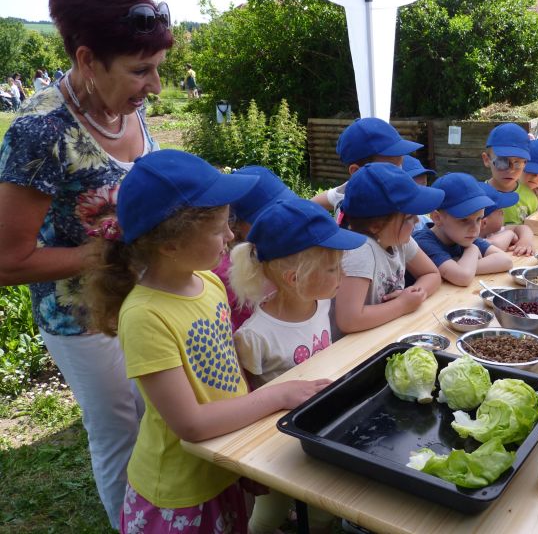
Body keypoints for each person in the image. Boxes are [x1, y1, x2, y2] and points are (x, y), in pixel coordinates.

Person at [0, 0, 173, 529]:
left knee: (160, 412)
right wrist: (114, 253)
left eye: (157, 68)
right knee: (119, 430)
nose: (155, 86)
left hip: (145, 299)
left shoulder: (127, 105)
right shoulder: (40, 131)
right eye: (141, 70)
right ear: (87, 59)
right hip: (82, 317)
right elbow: (7, 261)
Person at [82, 149, 331, 531]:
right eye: (218, 229)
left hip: (221, 460)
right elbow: (191, 424)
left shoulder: (210, 283)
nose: (231, 236)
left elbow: (227, 371)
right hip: (180, 490)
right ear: (170, 245)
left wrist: (245, 450)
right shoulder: (145, 316)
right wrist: (277, 396)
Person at [229, 198, 365, 532]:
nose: (343, 274)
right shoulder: (255, 336)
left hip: (320, 426)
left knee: (322, 509)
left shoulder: (321, 305)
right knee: (269, 512)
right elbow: (248, 397)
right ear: (294, 278)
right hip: (278, 444)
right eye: (333, 269)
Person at [335, 163, 443, 334]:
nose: (417, 221)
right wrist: (402, 305)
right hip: (355, 345)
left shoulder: (398, 238)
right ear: (376, 226)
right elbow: (348, 320)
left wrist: (418, 292)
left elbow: (432, 274)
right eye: (409, 217)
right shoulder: (359, 251)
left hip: (385, 331)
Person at [214, 165, 297, 331]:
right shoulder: (225, 273)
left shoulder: (281, 248)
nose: (281, 223)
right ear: (235, 224)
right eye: (268, 219)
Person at [311, 117, 423, 221]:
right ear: (356, 172)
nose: (402, 174)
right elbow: (312, 204)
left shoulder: (348, 189)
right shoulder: (355, 210)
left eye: (401, 164)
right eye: (391, 168)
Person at [413, 173, 513, 286]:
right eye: (464, 220)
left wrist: (466, 266)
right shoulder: (423, 242)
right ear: (437, 218)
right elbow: (463, 277)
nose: (474, 228)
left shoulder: (463, 236)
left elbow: (506, 261)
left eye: (478, 219)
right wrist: (473, 250)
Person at [481, 123, 536, 255]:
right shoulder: (478, 197)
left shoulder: (530, 197)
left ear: (525, 163)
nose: (510, 170)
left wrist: (525, 240)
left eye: (517, 163)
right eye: (502, 162)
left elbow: (528, 228)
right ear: (487, 160)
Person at [477, 182, 522, 251]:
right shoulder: (473, 240)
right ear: (484, 223)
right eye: (500, 211)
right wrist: (510, 233)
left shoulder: (492, 231)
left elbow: (522, 227)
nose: (503, 213)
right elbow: (494, 246)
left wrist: (524, 241)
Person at [402, 154, 437, 231]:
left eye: (424, 184)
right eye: (415, 187)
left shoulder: (427, 222)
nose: (422, 192)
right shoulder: (386, 225)